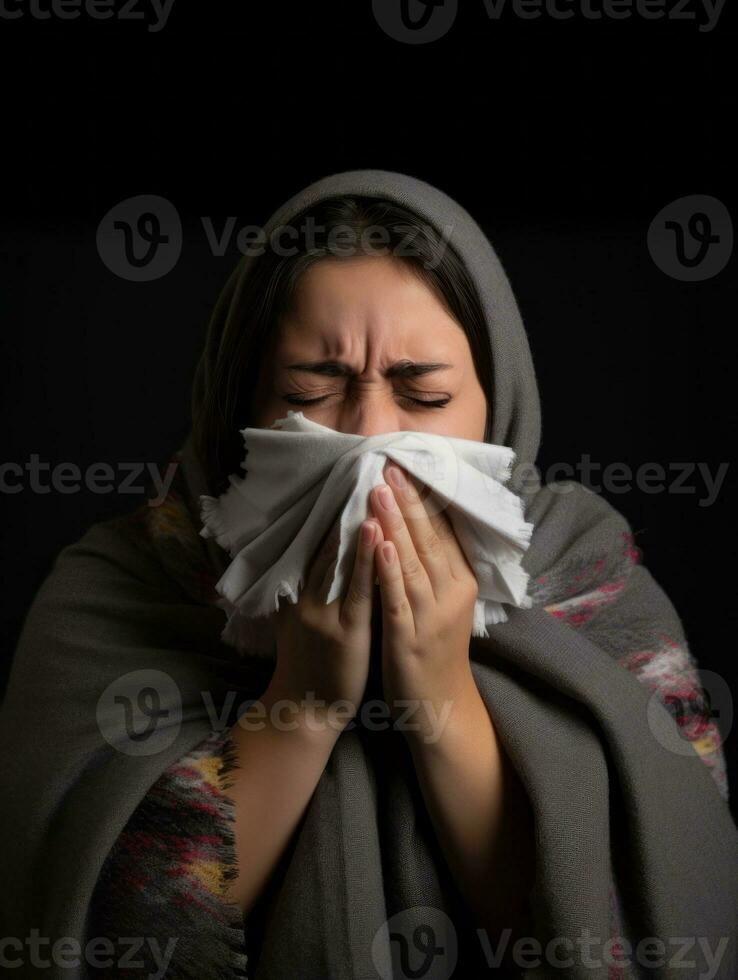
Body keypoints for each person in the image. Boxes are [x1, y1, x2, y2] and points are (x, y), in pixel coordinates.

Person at [1, 170, 734, 980]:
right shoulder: (123, 585)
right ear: (237, 407)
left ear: (497, 404)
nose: (372, 441)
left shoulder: (587, 573)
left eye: (425, 396)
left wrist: (441, 699)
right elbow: (92, 934)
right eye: (312, 391)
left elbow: (630, 933)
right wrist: (302, 705)